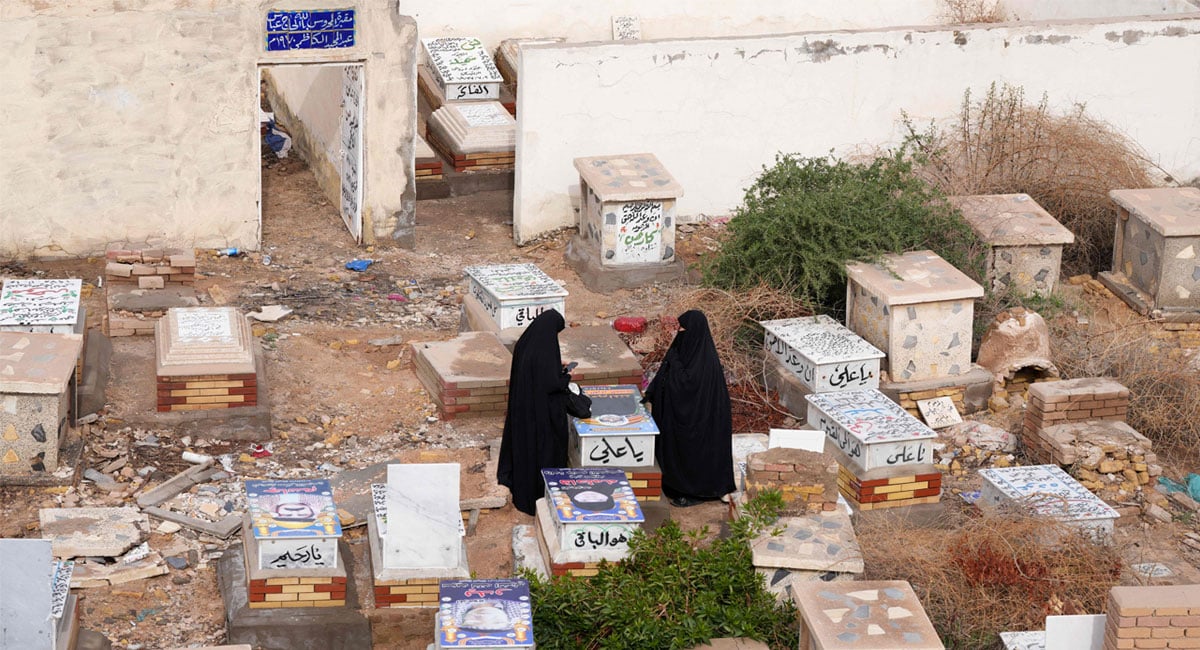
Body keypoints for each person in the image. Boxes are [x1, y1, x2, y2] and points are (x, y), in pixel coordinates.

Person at [644, 309, 736, 507]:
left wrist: (674, 363)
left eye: (683, 329)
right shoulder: (683, 351)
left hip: (697, 422)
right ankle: (677, 484)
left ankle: (695, 490)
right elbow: (664, 376)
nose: (680, 333)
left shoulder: (705, 363)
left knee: (693, 451)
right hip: (680, 419)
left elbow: (687, 387)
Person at [497, 309, 572, 516]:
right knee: (544, 453)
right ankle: (538, 498)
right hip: (541, 415)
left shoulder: (526, 343)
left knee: (525, 451)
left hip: (523, 411)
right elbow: (551, 383)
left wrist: (556, 366)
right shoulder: (545, 349)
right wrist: (566, 376)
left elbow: (536, 372)